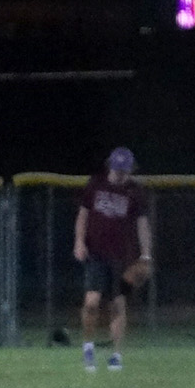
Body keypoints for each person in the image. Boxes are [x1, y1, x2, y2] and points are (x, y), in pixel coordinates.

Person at [74, 146, 152, 371]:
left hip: (122, 257)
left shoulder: (134, 191)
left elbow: (142, 224)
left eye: (125, 170)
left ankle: (116, 355)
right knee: (91, 304)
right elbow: (83, 215)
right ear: (111, 166)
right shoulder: (95, 185)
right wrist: (79, 241)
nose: (121, 174)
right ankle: (88, 347)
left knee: (117, 305)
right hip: (96, 253)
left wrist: (145, 255)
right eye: (118, 169)